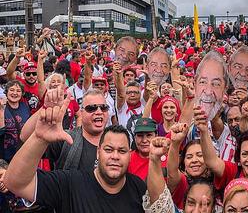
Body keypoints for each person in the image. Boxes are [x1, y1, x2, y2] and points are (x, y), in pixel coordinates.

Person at [4, 113, 146, 212]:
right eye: (108, 150)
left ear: (129, 154)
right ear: (98, 152)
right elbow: (15, 183)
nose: (115, 156)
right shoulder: (70, 183)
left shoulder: (139, 188)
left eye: (122, 151)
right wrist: (39, 138)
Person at [0, 81, 30, 162]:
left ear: (22, 93)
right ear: (6, 92)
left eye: (18, 91)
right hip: (4, 155)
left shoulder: (25, 106)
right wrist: (2, 110)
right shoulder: (1, 107)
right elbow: (0, 131)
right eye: (12, 90)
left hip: (23, 152)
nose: (15, 93)